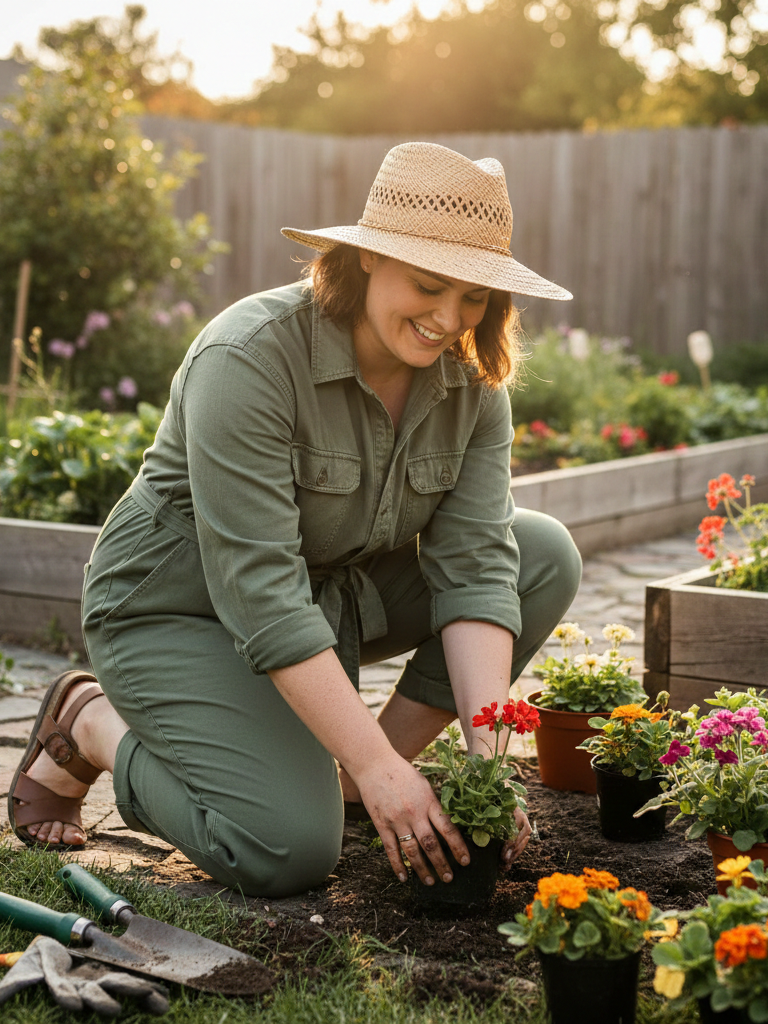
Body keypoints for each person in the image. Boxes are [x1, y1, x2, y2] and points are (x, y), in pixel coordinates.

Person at [9, 142, 582, 898]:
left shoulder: (472, 383)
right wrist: (388, 772)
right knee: (287, 848)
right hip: (178, 609)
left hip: (325, 595)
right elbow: (261, 592)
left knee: (541, 552)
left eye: (474, 297)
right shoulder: (247, 358)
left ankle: (353, 773)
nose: (449, 319)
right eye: (430, 285)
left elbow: (476, 563)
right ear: (369, 259)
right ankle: (92, 726)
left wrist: (485, 749)